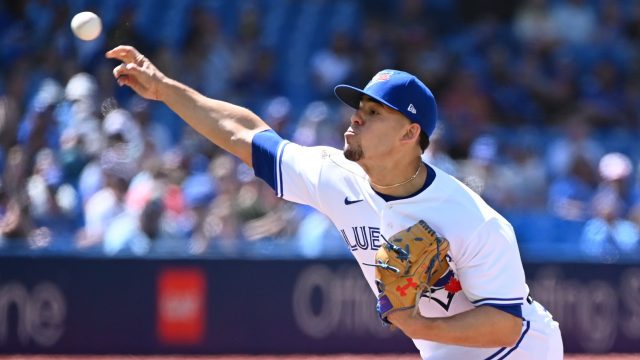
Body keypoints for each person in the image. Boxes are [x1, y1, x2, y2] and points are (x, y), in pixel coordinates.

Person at [106, 45, 563, 359]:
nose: (356, 118)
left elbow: (507, 324)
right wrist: (166, 89)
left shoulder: (470, 218)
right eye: (358, 107)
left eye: (373, 113)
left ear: (409, 134)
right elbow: (246, 133)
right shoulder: (334, 175)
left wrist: (416, 325)